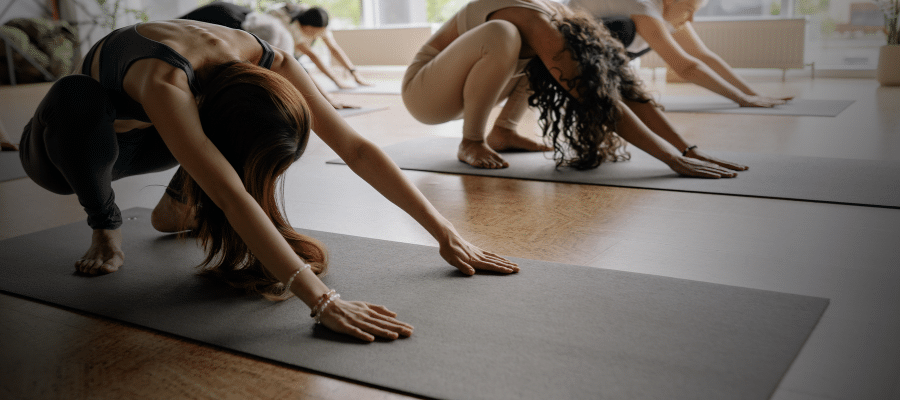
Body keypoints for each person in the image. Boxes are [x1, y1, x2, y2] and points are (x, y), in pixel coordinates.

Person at [18, 20, 518, 342]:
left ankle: (178, 202)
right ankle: (104, 226)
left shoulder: (272, 62)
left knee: (194, 188)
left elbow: (358, 149)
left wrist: (444, 233)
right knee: (76, 96)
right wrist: (321, 301)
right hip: (64, 154)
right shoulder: (165, 83)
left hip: (160, 136)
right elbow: (235, 200)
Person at [402, 0, 747, 176]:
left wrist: (687, 148)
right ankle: (471, 141)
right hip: (426, 95)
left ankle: (503, 132)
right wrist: (668, 158)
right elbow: (595, 97)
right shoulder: (536, 20)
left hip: (472, 88)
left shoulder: (562, 16)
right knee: (503, 34)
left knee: (537, 57)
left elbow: (621, 90)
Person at [566, 0, 792, 107]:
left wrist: (754, 94)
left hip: (611, 43)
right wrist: (741, 99)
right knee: (628, 27)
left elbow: (703, 56)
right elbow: (686, 67)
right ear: (672, 0)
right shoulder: (644, 8)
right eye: (689, 10)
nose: (691, 19)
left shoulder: (667, 9)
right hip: (573, 44)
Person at [179, 1, 366, 109]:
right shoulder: (283, 33)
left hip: (238, 18)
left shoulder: (289, 26)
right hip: (222, 18)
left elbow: (295, 66)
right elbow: (297, 66)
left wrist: (333, 94)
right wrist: (327, 99)